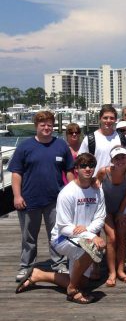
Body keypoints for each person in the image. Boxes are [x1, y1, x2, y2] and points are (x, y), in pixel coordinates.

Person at [16, 153, 106, 304]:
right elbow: (64, 227)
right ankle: (72, 290)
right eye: (83, 166)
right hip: (62, 238)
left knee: (83, 283)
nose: (88, 169)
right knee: (93, 248)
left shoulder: (98, 190)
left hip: (84, 236)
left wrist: (87, 230)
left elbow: (100, 217)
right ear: (76, 169)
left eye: (91, 165)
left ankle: (39, 275)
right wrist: (91, 236)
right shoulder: (67, 192)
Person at [9, 111, 73, 281]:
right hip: (29, 200)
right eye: (42, 124)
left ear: (53, 126)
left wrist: (73, 192)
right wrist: (17, 196)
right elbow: (16, 173)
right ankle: (26, 266)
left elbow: (69, 171)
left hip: (55, 200)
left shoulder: (61, 145)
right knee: (28, 236)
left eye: (50, 124)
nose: (46, 127)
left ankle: (58, 263)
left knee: (57, 234)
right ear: (36, 126)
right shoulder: (24, 146)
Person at [97, 146, 126, 286]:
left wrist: (120, 213)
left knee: (122, 239)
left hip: (122, 208)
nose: (120, 160)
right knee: (112, 238)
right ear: (112, 160)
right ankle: (112, 272)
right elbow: (94, 186)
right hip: (106, 210)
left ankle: (120, 270)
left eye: (123, 157)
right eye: (117, 158)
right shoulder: (104, 172)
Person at [78, 104, 126, 176]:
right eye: (105, 118)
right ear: (100, 119)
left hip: (119, 184)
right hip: (96, 184)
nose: (108, 121)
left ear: (115, 120)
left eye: (111, 118)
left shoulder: (124, 138)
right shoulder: (89, 139)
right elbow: (81, 162)